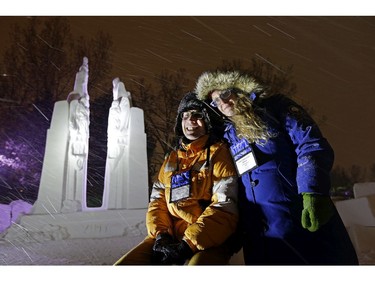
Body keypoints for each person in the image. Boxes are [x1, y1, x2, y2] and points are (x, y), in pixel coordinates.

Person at [195, 70, 359, 265]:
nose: (222, 103)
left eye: (224, 94)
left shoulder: (276, 108)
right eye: (215, 102)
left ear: (238, 88)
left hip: (297, 218)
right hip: (260, 234)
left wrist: (312, 192)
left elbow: (310, 144)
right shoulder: (227, 136)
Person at [114, 92, 239, 265]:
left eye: (197, 115)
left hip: (206, 239)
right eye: (185, 116)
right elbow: (157, 202)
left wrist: (187, 245)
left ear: (208, 121)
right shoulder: (171, 158)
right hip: (170, 236)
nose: (190, 121)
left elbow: (225, 207)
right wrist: (161, 236)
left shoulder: (219, 154)